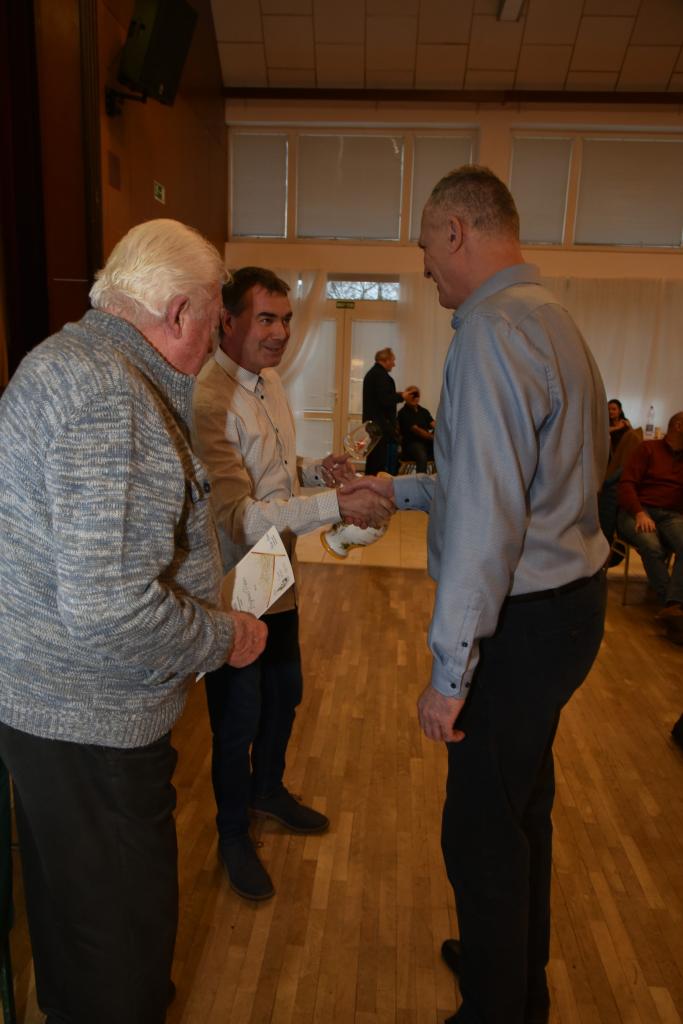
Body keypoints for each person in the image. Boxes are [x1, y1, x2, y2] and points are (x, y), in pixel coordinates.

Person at [348, 166, 609, 1024]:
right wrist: (399, 489)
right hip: (568, 606)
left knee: (479, 832)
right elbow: (513, 484)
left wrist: (449, 673)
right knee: (520, 807)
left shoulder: (491, 333)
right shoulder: (550, 318)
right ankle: (514, 978)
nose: (424, 266)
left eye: (426, 247)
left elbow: (489, 524)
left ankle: (498, 1006)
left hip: (519, 624)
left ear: (457, 231)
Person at [0, 220, 267, 1024]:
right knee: (121, 961)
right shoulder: (113, 396)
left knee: (74, 930)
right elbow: (111, 609)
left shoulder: (61, 359)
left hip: (48, 710)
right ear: (179, 312)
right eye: (215, 320)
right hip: (93, 722)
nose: (215, 341)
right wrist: (224, 636)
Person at [192, 267, 393, 902]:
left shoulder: (270, 382)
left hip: (276, 568)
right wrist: (336, 503)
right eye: (266, 319)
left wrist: (312, 469)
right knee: (238, 716)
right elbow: (239, 516)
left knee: (285, 692)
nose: (280, 332)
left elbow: (270, 473)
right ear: (228, 321)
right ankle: (232, 833)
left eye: (285, 319)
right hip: (234, 580)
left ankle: (268, 791)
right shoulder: (209, 399)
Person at [616, 410, 683, 617]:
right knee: (651, 545)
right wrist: (639, 512)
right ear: (678, 426)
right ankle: (670, 603)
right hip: (638, 509)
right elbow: (627, 484)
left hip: (671, 515)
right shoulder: (648, 448)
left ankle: (674, 603)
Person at [362, 347, 416, 475]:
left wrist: (399, 395)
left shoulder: (373, 374)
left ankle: (369, 482)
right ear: (385, 360)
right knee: (378, 461)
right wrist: (402, 396)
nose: (394, 364)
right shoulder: (381, 376)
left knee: (373, 459)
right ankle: (375, 484)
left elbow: (381, 397)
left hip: (374, 422)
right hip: (380, 424)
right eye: (392, 360)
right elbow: (385, 400)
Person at [598, 399, 641, 544]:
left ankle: (608, 537)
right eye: (609, 409)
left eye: (614, 409)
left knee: (611, 488)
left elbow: (633, 440)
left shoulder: (626, 425)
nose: (611, 412)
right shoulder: (605, 424)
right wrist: (617, 428)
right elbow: (603, 434)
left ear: (620, 410)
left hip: (621, 462)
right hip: (608, 461)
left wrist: (623, 426)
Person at [398, 386, 435, 472]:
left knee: (443, 451)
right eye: (412, 395)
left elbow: (434, 424)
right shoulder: (403, 413)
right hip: (411, 444)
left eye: (416, 395)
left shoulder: (424, 411)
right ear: (406, 396)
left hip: (426, 443)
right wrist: (432, 438)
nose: (414, 398)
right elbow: (416, 430)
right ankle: (421, 479)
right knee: (421, 454)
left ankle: (440, 478)